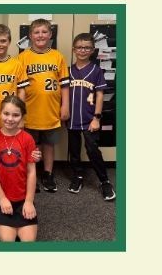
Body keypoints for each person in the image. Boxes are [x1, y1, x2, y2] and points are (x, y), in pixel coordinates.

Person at [18, 19, 69, 192]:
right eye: (36, 32)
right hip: (30, 110)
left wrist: (65, 106)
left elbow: (64, 84)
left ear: (50, 35)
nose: (40, 35)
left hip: (51, 110)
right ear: (30, 36)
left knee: (49, 144)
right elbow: (19, 86)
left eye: (44, 32)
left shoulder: (57, 56)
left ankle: (48, 174)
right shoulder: (23, 57)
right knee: (30, 145)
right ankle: (30, 174)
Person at [67, 33, 115, 200]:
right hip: (72, 118)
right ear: (74, 50)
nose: (83, 50)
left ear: (93, 50)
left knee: (92, 150)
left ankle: (104, 181)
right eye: (79, 47)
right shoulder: (68, 71)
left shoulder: (96, 70)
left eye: (87, 47)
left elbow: (100, 95)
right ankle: (78, 176)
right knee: (73, 150)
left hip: (89, 118)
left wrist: (97, 117)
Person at [0, 96, 38, 242]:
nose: (10, 119)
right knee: (8, 242)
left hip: (23, 199)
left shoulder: (27, 139)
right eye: (6, 114)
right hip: (2, 198)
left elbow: (31, 172)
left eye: (16, 115)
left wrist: (29, 201)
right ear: (0, 113)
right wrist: (2, 199)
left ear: (22, 116)